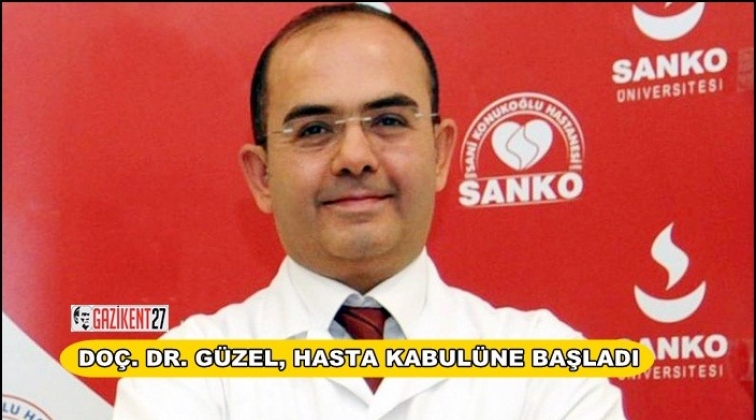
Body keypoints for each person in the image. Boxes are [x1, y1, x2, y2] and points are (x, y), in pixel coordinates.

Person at [113, 3, 626, 419]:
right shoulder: (181, 379)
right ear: (262, 176)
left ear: (440, 153)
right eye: (315, 129)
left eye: (388, 121)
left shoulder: (549, 369)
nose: (355, 157)